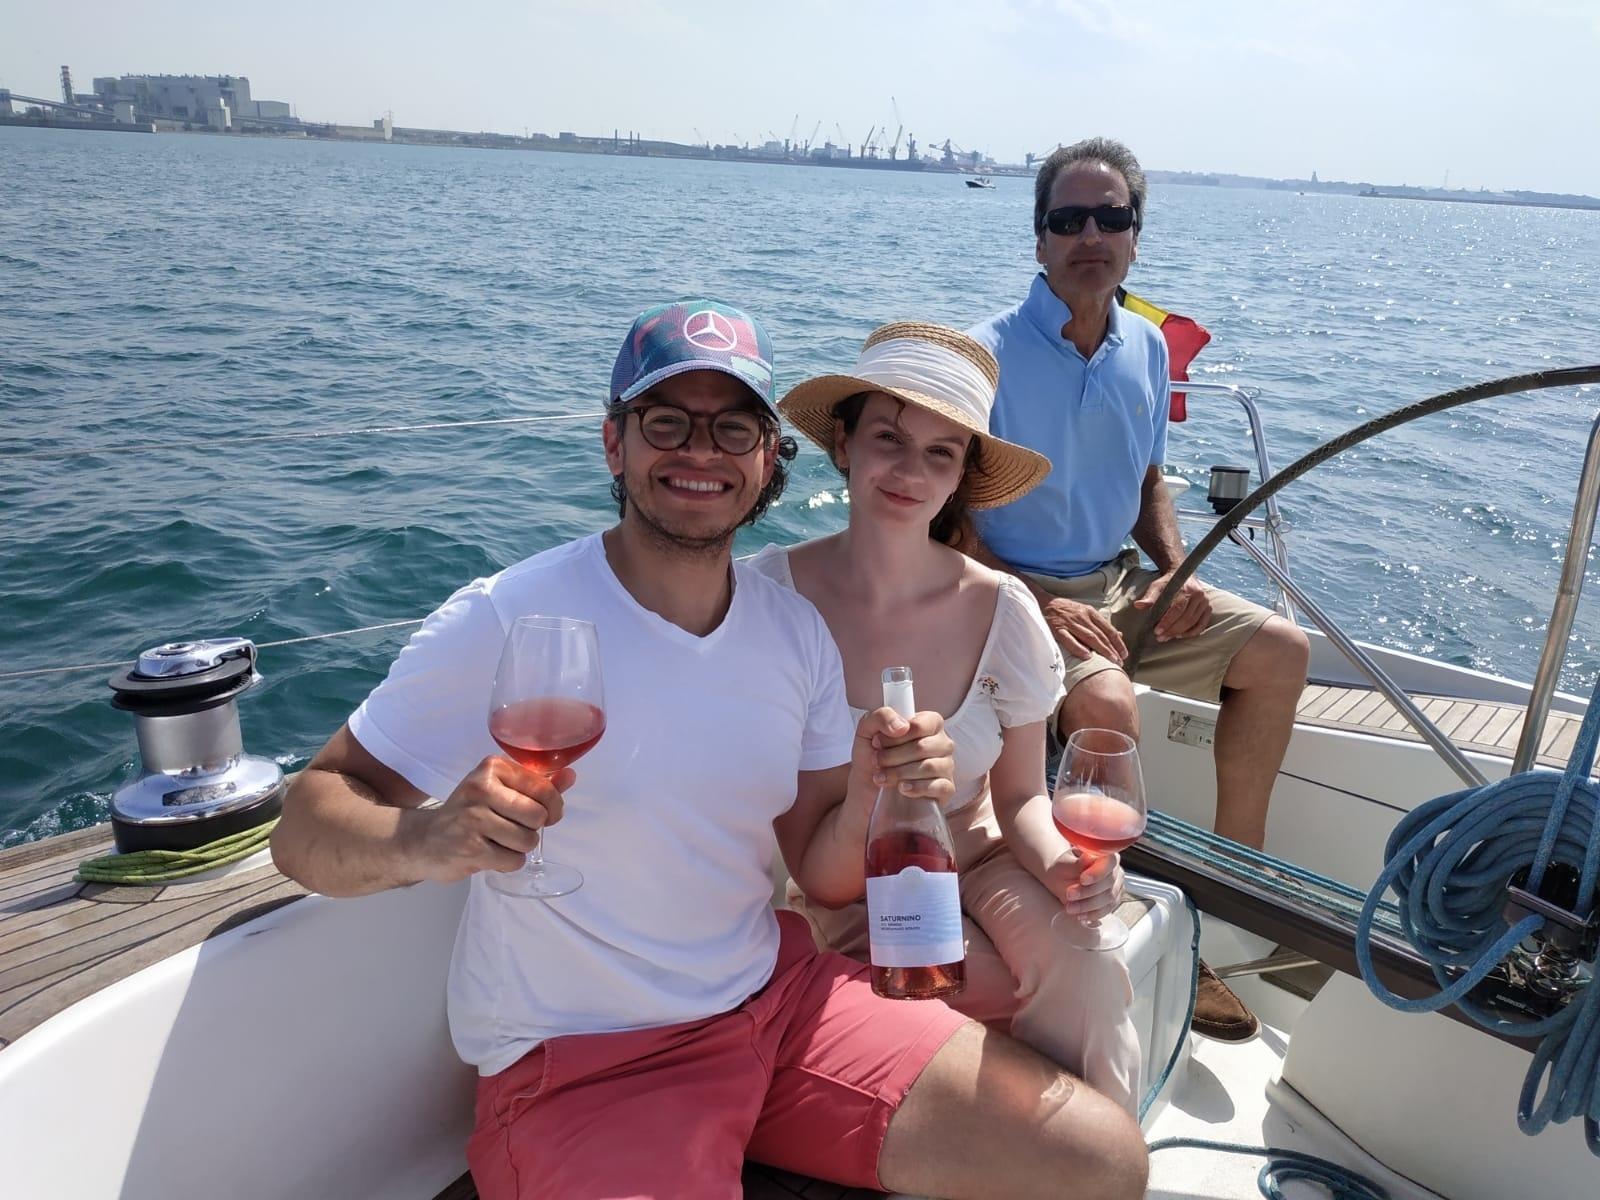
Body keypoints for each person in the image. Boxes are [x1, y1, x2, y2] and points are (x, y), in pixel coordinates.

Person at [269, 299, 1148, 1200]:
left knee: (1101, 1162)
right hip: (593, 1060)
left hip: (782, 1003)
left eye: (732, 428)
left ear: (769, 461)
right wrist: (425, 840)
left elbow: (825, 877)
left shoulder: (793, 631)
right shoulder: (509, 616)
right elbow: (306, 822)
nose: (700, 452)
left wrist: (869, 794)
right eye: (666, 422)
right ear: (613, 444)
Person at [748, 320, 1143, 1114]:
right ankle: (1037, 1151)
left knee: (1090, 974)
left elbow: (1021, 798)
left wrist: (1063, 869)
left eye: (941, 452)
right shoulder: (769, 601)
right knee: (964, 991)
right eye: (888, 438)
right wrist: (869, 789)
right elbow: (822, 880)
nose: (910, 470)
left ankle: (1104, 1159)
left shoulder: (1004, 609)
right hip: (852, 891)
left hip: (983, 862)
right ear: (844, 442)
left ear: (962, 473)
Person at [967, 137, 1311, 1040]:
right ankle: (1122, 921)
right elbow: (947, 519)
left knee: (1281, 651)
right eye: (1068, 219)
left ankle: (1228, 893)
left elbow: (1151, 480)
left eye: (1111, 217)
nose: (1091, 235)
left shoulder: (1148, 346)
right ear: (1039, 239)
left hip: (1122, 580)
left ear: (1135, 237)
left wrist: (1178, 572)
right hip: (1013, 594)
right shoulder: (985, 354)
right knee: (1109, 704)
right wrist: (1036, 600)